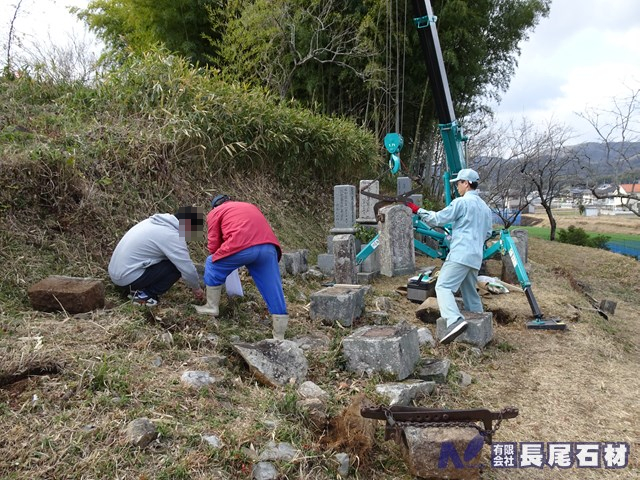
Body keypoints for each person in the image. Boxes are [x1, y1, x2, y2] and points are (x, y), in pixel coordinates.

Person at [405, 168, 493, 344]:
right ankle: (480, 329)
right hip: (476, 256)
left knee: (443, 287)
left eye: (459, 183)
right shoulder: (485, 208)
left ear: (466, 183)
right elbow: (488, 232)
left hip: (460, 253)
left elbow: (438, 219)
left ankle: (454, 321)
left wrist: (417, 210)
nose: (457, 188)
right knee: (470, 294)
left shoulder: (461, 203)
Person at [196, 195, 289, 340]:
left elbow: (213, 244)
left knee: (211, 263)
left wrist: (221, 258)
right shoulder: (250, 205)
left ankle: (211, 306)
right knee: (273, 288)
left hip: (241, 246)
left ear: (214, 206)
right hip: (268, 248)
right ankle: (279, 336)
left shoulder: (216, 212)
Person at [108, 206, 205, 306]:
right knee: (176, 267)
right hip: (126, 277)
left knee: (170, 261)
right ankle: (144, 296)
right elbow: (187, 269)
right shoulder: (172, 235)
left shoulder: (153, 222)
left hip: (116, 273)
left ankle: (136, 289)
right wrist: (196, 288)